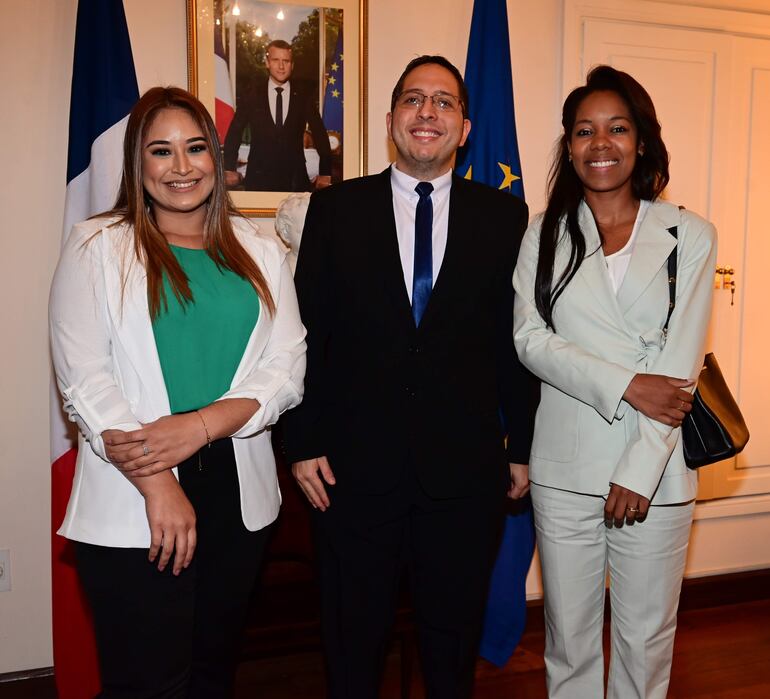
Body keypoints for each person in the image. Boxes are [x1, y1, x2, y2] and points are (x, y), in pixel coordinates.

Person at [282, 55, 538, 699]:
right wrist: (303, 441)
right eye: (414, 100)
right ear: (392, 118)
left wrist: (525, 449)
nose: (428, 113)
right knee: (351, 643)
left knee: (451, 648)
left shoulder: (504, 219)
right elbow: (305, 335)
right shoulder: (333, 211)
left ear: (466, 126)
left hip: (464, 476)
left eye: (444, 102)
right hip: (350, 475)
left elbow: (515, 345)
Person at [49, 86, 306, 697]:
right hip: (134, 490)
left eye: (195, 148)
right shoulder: (95, 246)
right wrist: (159, 484)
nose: (182, 166)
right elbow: (85, 379)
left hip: (238, 496)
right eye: (161, 151)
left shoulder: (261, 250)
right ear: (138, 166)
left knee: (211, 676)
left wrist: (201, 425)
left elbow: (288, 365)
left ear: (218, 160)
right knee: (147, 682)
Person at [512, 65, 716, 698]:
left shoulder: (690, 235)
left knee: (643, 645)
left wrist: (638, 469)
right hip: (565, 466)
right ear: (569, 146)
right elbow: (529, 340)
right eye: (584, 130)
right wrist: (629, 382)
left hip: (656, 470)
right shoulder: (543, 233)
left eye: (617, 128)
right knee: (568, 645)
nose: (600, 144)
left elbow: (680, 369)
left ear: (643, 141)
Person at [223, 39, 332, 192]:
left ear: (292, 65)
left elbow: (320, 133)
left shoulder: (303, 95)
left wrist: (325, 172)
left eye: (286, 61)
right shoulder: (252, 94)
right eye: (276, 60)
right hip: (258, 180)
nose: (281, 66)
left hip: (295, 181)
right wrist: (228, 168)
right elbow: (235, 131)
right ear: (267, 63)